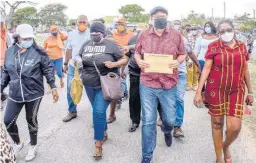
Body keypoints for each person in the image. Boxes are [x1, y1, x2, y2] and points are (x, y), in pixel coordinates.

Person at [194, 19, 254, 163]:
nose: (226, 33)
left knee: (235, 127)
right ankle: (219, 157)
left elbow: (245, 69)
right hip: (216, 89)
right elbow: (207, 68)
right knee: (217, 124)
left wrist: (250, 91)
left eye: (228, 30)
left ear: (234, 30)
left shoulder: (242, 46)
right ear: (218, 33)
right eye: (222, 31)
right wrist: (198, 91)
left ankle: (225, 146)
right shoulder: (214, 46)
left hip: (236, 90)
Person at [134, 6, 186, 163]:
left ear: (167, 17)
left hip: (168, 84)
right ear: (151, 18)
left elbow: (183, 54)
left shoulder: (176, 35)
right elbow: (136, 52)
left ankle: (167, 130)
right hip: (148, 83)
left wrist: (177, 61)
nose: (160, 18)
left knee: (169, 119)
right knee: (148, 120)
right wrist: (139, 61)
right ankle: (147, 156)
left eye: (163, 16)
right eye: (157, 16)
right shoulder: (143, 35)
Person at [1, 24, 59, 161]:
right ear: (18, 38)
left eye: (30, 38)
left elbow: (48, 69)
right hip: (15, 92)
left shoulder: (39, 52)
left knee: (31, 119)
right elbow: (5, 72)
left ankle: (33, 145)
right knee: (8, 120)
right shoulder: (10, 52)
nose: (28, 40)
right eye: (25, 38)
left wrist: (53, 86)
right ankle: (17, 142)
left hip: (34, 93)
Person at [78, 22, 128, 160]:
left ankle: (98, 144)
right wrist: (76, 61)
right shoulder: (86, 44)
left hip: (105, 84)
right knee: (96, 110)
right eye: (92, 34)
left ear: (103, 34)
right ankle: (104, 132)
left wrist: (114, 64)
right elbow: (79, 56)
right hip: (89, 83)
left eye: (97, 34)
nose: (94, 36)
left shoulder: (111, 44)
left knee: (98, 112)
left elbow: (124, 59)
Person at [62, 15, 91, 122]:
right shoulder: (72, 34)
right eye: (80, 22)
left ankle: (96, 116)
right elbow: (68, 50)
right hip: (73, 67)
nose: (82, 24)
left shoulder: (91, 34)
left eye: (84, 22)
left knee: (91, 90)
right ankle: (72, 111)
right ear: (76, 22)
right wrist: (65, 63)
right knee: (71, 89)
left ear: (87, 23)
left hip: (88, 67)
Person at [107, 18, 134, 124]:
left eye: (122, 23)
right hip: (115, 63)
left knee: (122, 79)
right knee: (118, 82)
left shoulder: (132, 35)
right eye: (118, 24)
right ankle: (119, 98)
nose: (120, 25)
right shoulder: (112, 35)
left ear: (125, 24)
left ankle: (120, 96)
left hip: (128, 62)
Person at [194, 21, 218, 98]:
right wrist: (193, 60)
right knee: (201, 77)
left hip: (214, 61)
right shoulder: (201, 37)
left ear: (212, 27)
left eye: (209, 26)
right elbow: (196, 49)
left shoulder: (217, 38)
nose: (207, 28)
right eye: (206, 26)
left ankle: (209, 95)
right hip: (201, 60)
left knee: (211, 78)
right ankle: (201, 94)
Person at [187, 25, 199, 91]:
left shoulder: (200, 37)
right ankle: (188, 84)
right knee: (189, 70)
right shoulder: (188, 36)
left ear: (197, 30)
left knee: (195, 71)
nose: (193, 30)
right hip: (189, 56)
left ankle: (195, 84)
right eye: (192, 29)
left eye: (195, 29)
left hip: (197, 56)